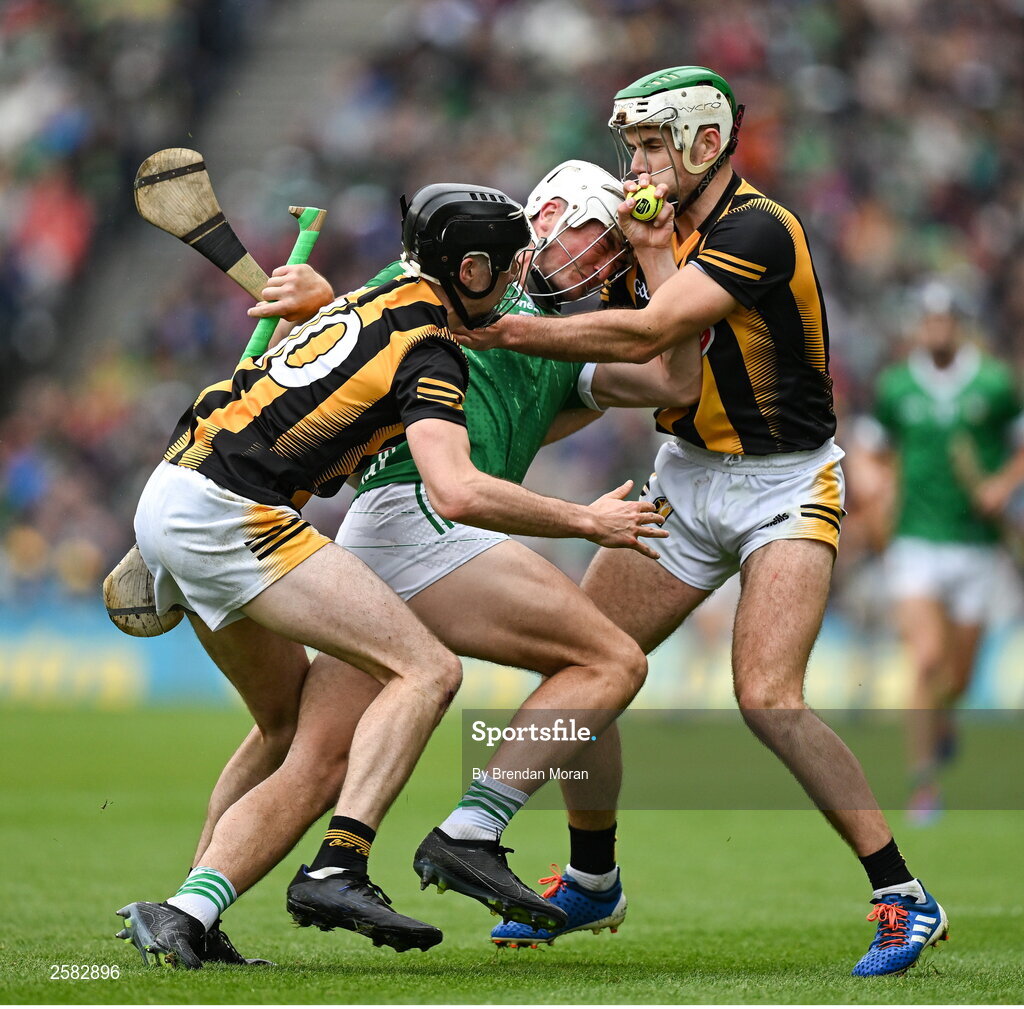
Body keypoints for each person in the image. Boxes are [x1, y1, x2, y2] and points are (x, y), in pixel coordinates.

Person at [457, 67, 950, 977]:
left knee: (768, 696)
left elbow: (656, 330)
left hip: (785, 484)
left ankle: (902, 895)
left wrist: (501, 332)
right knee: (585, 663)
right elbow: (609, 374)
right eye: (631, 145)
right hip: (684, 479)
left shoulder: (758, 228)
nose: (635, 163)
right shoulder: (652, 228)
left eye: (650, 144)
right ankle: (594, 875)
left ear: (704, 143)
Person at [114, 181, 667, 968]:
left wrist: (318, 298)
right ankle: (349, 859)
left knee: (291, 734)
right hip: (237, 512)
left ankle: (185, 911)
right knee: (428, 670)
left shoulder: (381, 295)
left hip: (174, 486)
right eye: (505, 269)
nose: (516, 284)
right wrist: (587, 519)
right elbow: (457, 490)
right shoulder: (431, 349)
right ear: (469, 270)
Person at [855, 279, 1024, 824]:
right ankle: (923, 783)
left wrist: (1001, 485)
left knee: (958, 676)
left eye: (945, 320)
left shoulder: (996, 384)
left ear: (960, 324)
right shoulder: (898, 386)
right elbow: (871, 450)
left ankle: (943, 720)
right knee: (926, 658)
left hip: (976, 546)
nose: (936, 329)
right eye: (928, 321)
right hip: (916, 540)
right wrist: (875, 487)